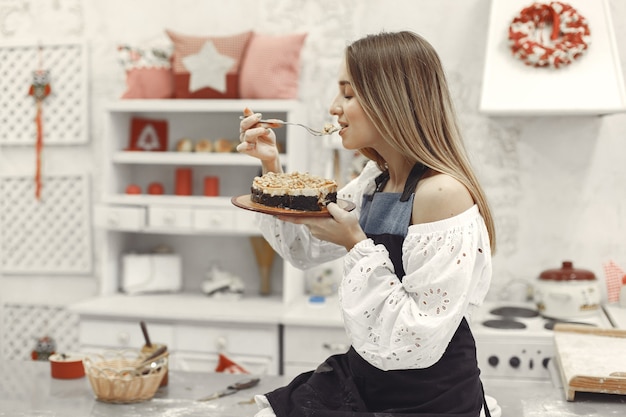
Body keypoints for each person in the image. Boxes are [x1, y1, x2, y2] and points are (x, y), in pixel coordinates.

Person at [238, 30, 496, 417]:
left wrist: (356, 245)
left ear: (391, 99)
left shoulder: (442, 194)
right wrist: (272, 167)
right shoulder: (375, 180)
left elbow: (414, 337)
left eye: (348, 93)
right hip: (368, 379)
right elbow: (303, 251)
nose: (333, 107)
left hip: (429, 399)